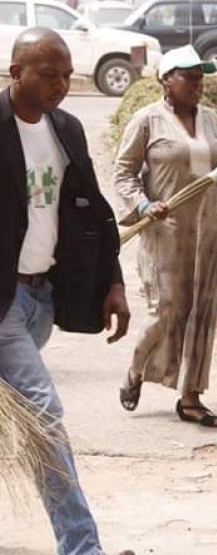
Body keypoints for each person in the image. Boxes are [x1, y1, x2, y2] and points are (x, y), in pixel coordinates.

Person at [0, 28, 132, 555]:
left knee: (22, 421)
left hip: (41, 302)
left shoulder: (67, 129)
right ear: (16, 74)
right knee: (43, 417)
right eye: (49, 74)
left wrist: (116, 282)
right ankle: (82, 548)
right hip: (3, 305)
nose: (62, 83)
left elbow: (95, 213)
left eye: (66, 72)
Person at [115, 45, 217, 427]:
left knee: (203, 311)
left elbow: (213, 170)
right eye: (188, 76)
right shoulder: (147, 120)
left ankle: (191, 396)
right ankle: (137, 368)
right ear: (165, 79)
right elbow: (123, 172)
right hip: (166, 230)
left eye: (200, 76)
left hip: (208, 230)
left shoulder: (210, 120)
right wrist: (143, 206)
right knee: (168, 308)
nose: (196, 83)